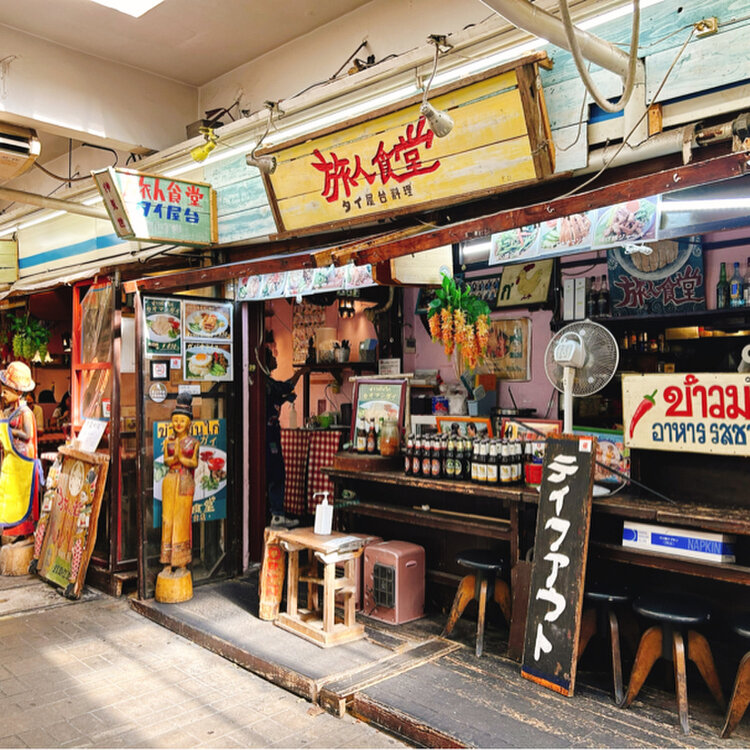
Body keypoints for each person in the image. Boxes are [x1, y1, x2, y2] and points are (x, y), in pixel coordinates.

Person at [264, 340, 306, 528]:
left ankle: (274, 513)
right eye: (272, 357)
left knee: (273, 472)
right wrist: (301, 372)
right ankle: (277, 514)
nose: (276, 358)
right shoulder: (267, 383)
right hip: (269, 435)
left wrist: (284, 399)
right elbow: (285, 386)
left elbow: (276, 397)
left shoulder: (266, 383)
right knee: (275, 472)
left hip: (271, 433)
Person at [0, 362, 42, 540]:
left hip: (23, 463)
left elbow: (27, 434)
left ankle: (21, 532)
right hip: (11, 462)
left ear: (18, 392)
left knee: (22, 496)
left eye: (6, 391)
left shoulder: (25, 412)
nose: (2, 394)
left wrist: (9, 431)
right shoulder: (10, 411)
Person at [159, 392, 200, 573]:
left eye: (182, 421)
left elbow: (194, 463)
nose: (178, 424)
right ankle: (167, 560)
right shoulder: (168, 441)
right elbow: (166, 460)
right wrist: (174, 457)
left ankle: (181, 562)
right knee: (167, 519)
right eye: (175, 420)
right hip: (170, 479)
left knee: (181, 520)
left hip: (185, 480)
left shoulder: (193, 443)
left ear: (188, 423)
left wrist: (180, 457)